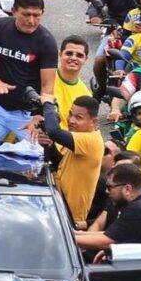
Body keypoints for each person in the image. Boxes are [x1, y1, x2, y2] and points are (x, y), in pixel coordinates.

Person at [0, 0, 57, 147]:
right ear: (14, 11)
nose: (31, 21)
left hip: (27, 114)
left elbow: (47, 88)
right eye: (26, 14)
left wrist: (39, 117)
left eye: (36, 15)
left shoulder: (47, 42)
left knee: (38, 158)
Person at [36, 94, 105, 227]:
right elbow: (60, 165)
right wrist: (49, 146)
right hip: (57, 207)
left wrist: (48, 104)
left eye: (78, 118)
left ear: (94, 122)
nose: (71, 120)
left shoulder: (91, 141)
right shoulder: (78, 137)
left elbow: (54, 132)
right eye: (70, 114)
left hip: (70, 218)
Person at [54, 35, 92, 129]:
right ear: (60, 54)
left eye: (79, 55)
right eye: (69, 53)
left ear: (85, 59)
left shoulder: (86, 95)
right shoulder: (45, 77)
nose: (73, 58)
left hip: (66, 141)